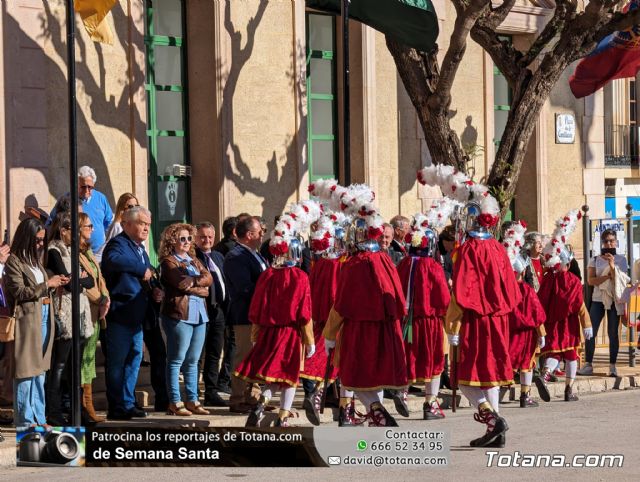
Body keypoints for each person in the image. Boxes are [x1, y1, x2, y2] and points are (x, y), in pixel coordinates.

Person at [444, 195, 519, 448]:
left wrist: (452, 323)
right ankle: (495, 431)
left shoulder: (467, 249)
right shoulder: (498, 248)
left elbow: (463, 290)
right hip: (498, 319)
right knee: (491, 375)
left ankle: (491, 417)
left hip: (476, 318)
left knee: (465, 377)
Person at [323, 211, 407, 426]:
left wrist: (330, 334)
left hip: (359, 329)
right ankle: (375, 416)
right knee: (374, 376)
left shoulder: (355, 263)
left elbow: (341, 304)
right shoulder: (385, 259)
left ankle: (376, 410)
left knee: (355, 376)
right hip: (385, 328)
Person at [237, 234, 314, 427]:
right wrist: (310, 340)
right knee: (289, 377)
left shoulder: (267, 275)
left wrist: (255, 335)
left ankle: (261, 404)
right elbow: (305, 313)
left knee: (273, 375)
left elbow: (256, 308)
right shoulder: (300, 276)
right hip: (291, 333)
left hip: (268, 331)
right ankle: (283, 417)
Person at [3, 218, 68, 427]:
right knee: (25, 371)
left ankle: (39, 418)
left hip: (44, 315)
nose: (40, 244)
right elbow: (20, 292)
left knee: (40, 371)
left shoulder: (36, 261)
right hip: (27, 320)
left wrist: (53, 285)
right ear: (26, 238)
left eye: (42, 240)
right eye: (37, 240)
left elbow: (39, 289)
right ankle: (24, 419)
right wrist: (47, 283)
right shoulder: (14, 262)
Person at [101, 206, 163, 420]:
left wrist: (155, 289)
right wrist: (139, 269)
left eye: (148, 224)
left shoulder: (140, 249)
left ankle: (128, 402)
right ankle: (117, 405)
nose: (146, 228)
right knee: (117, 363)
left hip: (137, 316)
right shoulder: (117, 245)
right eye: (142, 223)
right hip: (120, 314)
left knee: (134, 360)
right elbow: (113, 262)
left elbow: (147, 276)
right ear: (127, 224)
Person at [536, 210, 593, 402]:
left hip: (551, 324)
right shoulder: (572, 280)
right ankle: (569, 390)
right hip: (568, 325)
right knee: (571, 355)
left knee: (554, 353)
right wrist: (587, 324)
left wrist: (540, 326)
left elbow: (540, 302)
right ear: (567, 264)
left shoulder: (546, 280)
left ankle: (545, 374)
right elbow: (579, 304)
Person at [45, 212, 95, 425]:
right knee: (60, 365)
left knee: (76, 365)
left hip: (81, 312)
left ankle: (76, 409)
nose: (76, 235)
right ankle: (54, 411)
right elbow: (70, 284)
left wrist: (77, 280)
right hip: (65, 312)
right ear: (63, 230)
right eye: (73, 230)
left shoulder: (74, 250)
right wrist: (77, 280)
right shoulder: (54, 250)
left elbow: (90, 280)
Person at [397, 224, 450, 420]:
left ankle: (402, 392)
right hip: (430, 321)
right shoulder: (433, 267)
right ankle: (430, 402)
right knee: (433, 360)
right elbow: (443, 298)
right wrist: (449, 320)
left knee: (407, 356)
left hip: (406, 320)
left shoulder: (403, 264)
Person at [159, 223, 212, 416]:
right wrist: (202, 289)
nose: (187, 242)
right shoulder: (168, 261)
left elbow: (209, 278)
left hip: (199, 315)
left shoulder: (194, 259)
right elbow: (180, 284)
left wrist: (195, 282)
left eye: (189, 239)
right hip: (179, 315)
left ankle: (192, 399)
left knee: (193, 360)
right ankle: (175, 401)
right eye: (183, 239)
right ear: (173, 240)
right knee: (176, 360)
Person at [223, 216, 268, 413]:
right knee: (243, 355)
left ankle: (254, 396)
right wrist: (269, 292)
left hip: (260, 314)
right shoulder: (236, 256)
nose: (262, 235)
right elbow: (244, 287)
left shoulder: (255, 254)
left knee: (257, 356)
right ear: (249, 235)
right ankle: (237, 397)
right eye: (260, 232)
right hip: (245, 314)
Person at [502, 221, 547, 408]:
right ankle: (525, 395)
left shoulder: (504, 291)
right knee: (527, 364)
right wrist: (542, 334)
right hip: (526, 335)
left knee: (509, 361)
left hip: (508, 334)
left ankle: (502, 388)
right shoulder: (526, 291)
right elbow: (536, 314)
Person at [578, 229, 627, 377]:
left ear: (616, 242)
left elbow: (620, 279)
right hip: (597, 299)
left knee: (613, 333)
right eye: (606, 241)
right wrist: (606, 277)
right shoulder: (595, 260)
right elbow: (591, 280)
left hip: (614, 300)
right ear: (602, 243)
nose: (609, 243)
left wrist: (612, 265)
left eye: (611, 240)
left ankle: (612, 366)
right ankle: (588, 364)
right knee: (590, 331)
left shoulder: (621, 260)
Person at [195, 222, 233, 407]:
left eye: (210, 236)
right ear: (195, 237)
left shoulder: (218, 256)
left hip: (219, 311)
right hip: (200, 310)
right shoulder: (192, 256)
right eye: (202, 236)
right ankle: (193, 393)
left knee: (215, 352)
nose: (206, 240)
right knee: (197, 354)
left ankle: (211, 391)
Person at [78, 212, 110, 423]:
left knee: (89, 357)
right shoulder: (75, 254)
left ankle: (88, 405)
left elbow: (99, 279)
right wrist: (100, 300)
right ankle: (84, 406)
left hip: (97, 312)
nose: (92, 229)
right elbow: (86, 284)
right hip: (86, 311)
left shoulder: (88, 252)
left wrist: (106, 297)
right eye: (88, 226)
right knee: (83, 360)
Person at [48, 166, 114, 262]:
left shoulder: (101, 198)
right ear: (76, 184)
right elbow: (52, 223)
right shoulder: (66, 200)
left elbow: (109, 223)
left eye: (90, 187)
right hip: (76, 254)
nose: (87, 190)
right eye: (83, 186)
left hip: (99, 253)